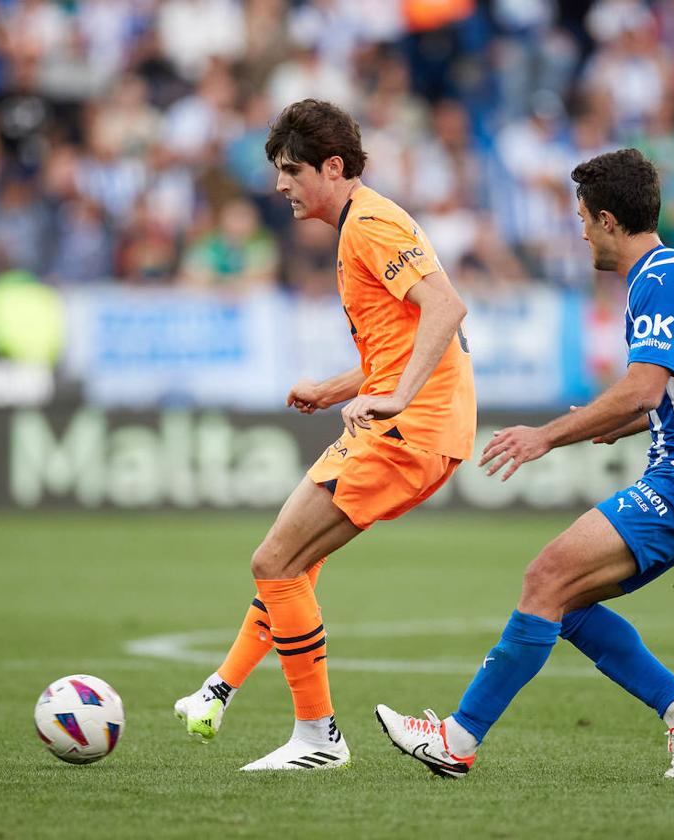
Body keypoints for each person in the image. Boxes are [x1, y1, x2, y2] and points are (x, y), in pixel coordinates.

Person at [376, 148, 674, 780]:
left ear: (608, 220)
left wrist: (547, 436)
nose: (579, 232)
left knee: (544, 576)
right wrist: (621, 424)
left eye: (582, 217)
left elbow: (644, 389)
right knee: (563, 602)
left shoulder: (659, 278)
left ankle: (457, 740)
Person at [172, 99, 476, 771]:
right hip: (415, 425)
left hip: (410, 429)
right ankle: (220, 692)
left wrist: (393, 397)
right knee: (291, 565)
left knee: (273, 561)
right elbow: (399, 344)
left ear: (331, 167)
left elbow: (447, 310)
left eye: (290, 170)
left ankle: (317, 738)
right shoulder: (365, 225)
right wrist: (339, 388)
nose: (280, 186)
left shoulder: (369, 223)